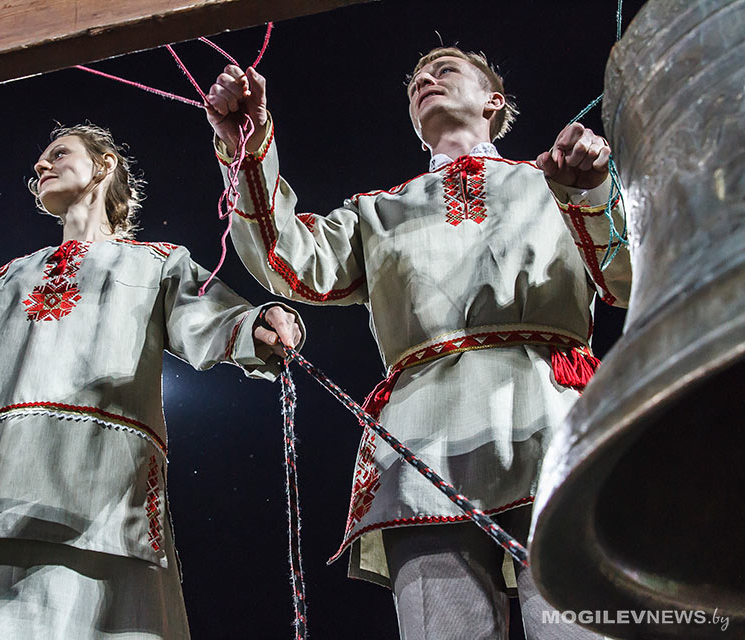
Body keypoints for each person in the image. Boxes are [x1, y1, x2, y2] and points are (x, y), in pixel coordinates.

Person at [204, 47, 630, 639]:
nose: (425, 79)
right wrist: (247, 146)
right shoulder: (376, 213)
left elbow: (628, 279)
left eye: (445, 69)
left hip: (552, 418)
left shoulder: (556, 180)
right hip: (422, 440)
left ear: (494, 101)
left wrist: (592, 195)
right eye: (415, 81)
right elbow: (287, 260)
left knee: (580, 627)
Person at [0, 123, 303, 640]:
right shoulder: (7, 279)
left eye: (59, 153)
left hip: (103, 511)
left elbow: (208, 319)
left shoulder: (157, 263)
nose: (41, 165)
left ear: (104, 165)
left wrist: (254, 326)